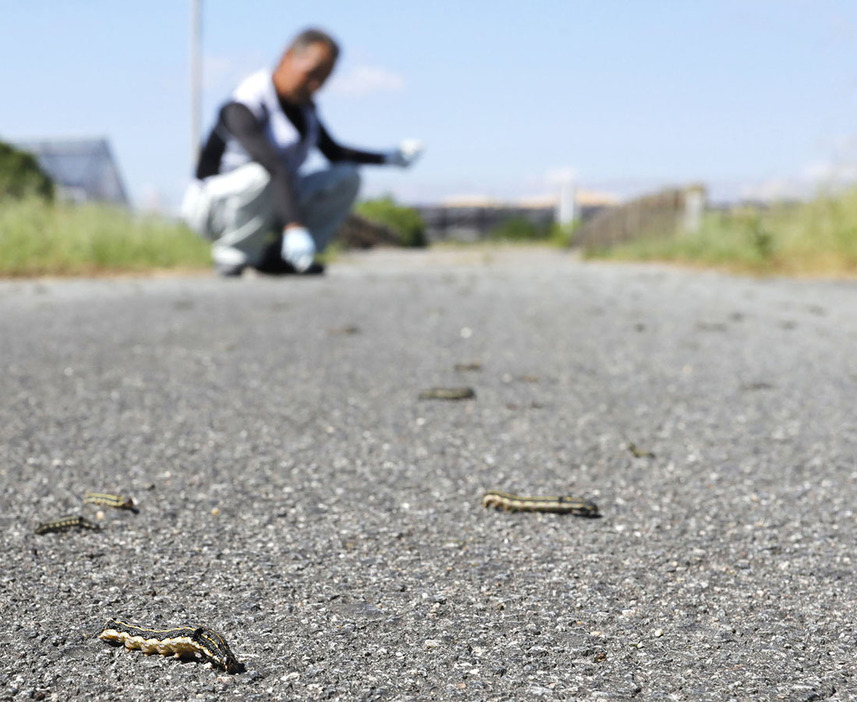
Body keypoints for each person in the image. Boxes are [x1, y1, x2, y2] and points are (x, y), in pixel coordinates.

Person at [181, 28, 423, 276]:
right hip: (214, 208)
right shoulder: (244, 104)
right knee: (260, 173)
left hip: (268, 201)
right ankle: (234, 255)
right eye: (311, 74)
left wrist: (387, 158)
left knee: (347, 176)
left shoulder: (305, 110)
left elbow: (334, 153)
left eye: (324, 78)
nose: (316, 84)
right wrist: (294, 226)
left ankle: (282, 259)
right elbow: (273, 166)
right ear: (288, 57)